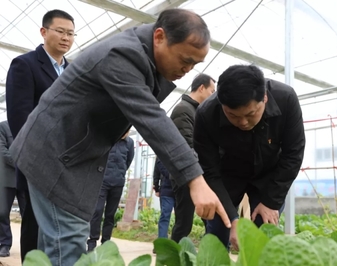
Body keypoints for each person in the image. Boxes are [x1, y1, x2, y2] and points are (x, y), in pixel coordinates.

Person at [9, 8, 230, 265]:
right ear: (159, 37)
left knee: (51, 248)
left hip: (70, 154)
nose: (188, 69)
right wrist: (195, 179)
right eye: (185, 59)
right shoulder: (122, 55)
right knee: (68, 245)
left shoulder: (145, 57)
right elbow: (152, 119)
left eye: (195, 64)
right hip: (55, 157)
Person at [193, 64, 305, 250]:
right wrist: (232, 218)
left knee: (263, 232)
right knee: (219, 231)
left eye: (251, 114)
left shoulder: (286, 99)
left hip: (269, 175)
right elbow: (209, 170)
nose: (243, 122)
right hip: (227, 175)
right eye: (232, 116)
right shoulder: (206, 114)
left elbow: (293, 153)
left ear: (265, 98)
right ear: (222, 106)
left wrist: (271, 202)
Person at [5, 9, 75, 262]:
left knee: (62, 228)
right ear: (44, 32)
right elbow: (19, 119)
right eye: (60, 31)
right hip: (38, 162)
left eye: (71, 33)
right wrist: (44, 155)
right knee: (35, 224)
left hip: (69, 165)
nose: (66, 38)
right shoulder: (25, 65)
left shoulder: (74, 70)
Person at [170, 73, 215, 243]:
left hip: (198, 175)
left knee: (210, 219)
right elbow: (186, 147)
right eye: (212, 92)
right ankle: (171, 258)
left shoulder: (197, 111)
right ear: (201, 88)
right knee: (184, 223)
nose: (213, 96)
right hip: (185, 176)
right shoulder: (183, 110)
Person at [87, 130, 134, 252]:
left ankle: (106, 243)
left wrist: (120, 173)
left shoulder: (129, 143)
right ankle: (92, 242)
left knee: (110, 215)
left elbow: (128, 161)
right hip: (103, 182)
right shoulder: (108, 139)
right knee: (97, 211)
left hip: (117, 183)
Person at [0, 121, 26, 257]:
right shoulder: (3, 127)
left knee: (28, 214)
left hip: (26, 178)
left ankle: (30, 245)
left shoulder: (29, 125)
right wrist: (21, 163)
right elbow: (2, 150)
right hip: (7, 177)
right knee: (2, 212)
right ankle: (4, 243)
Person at [153, 158, 174, 245]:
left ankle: (176, 242)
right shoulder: (160, 154)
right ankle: (162, 244)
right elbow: (156, 172)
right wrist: (157, 188)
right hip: (167, 191)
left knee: (181, 219)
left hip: (178, 191)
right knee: (165, 216)